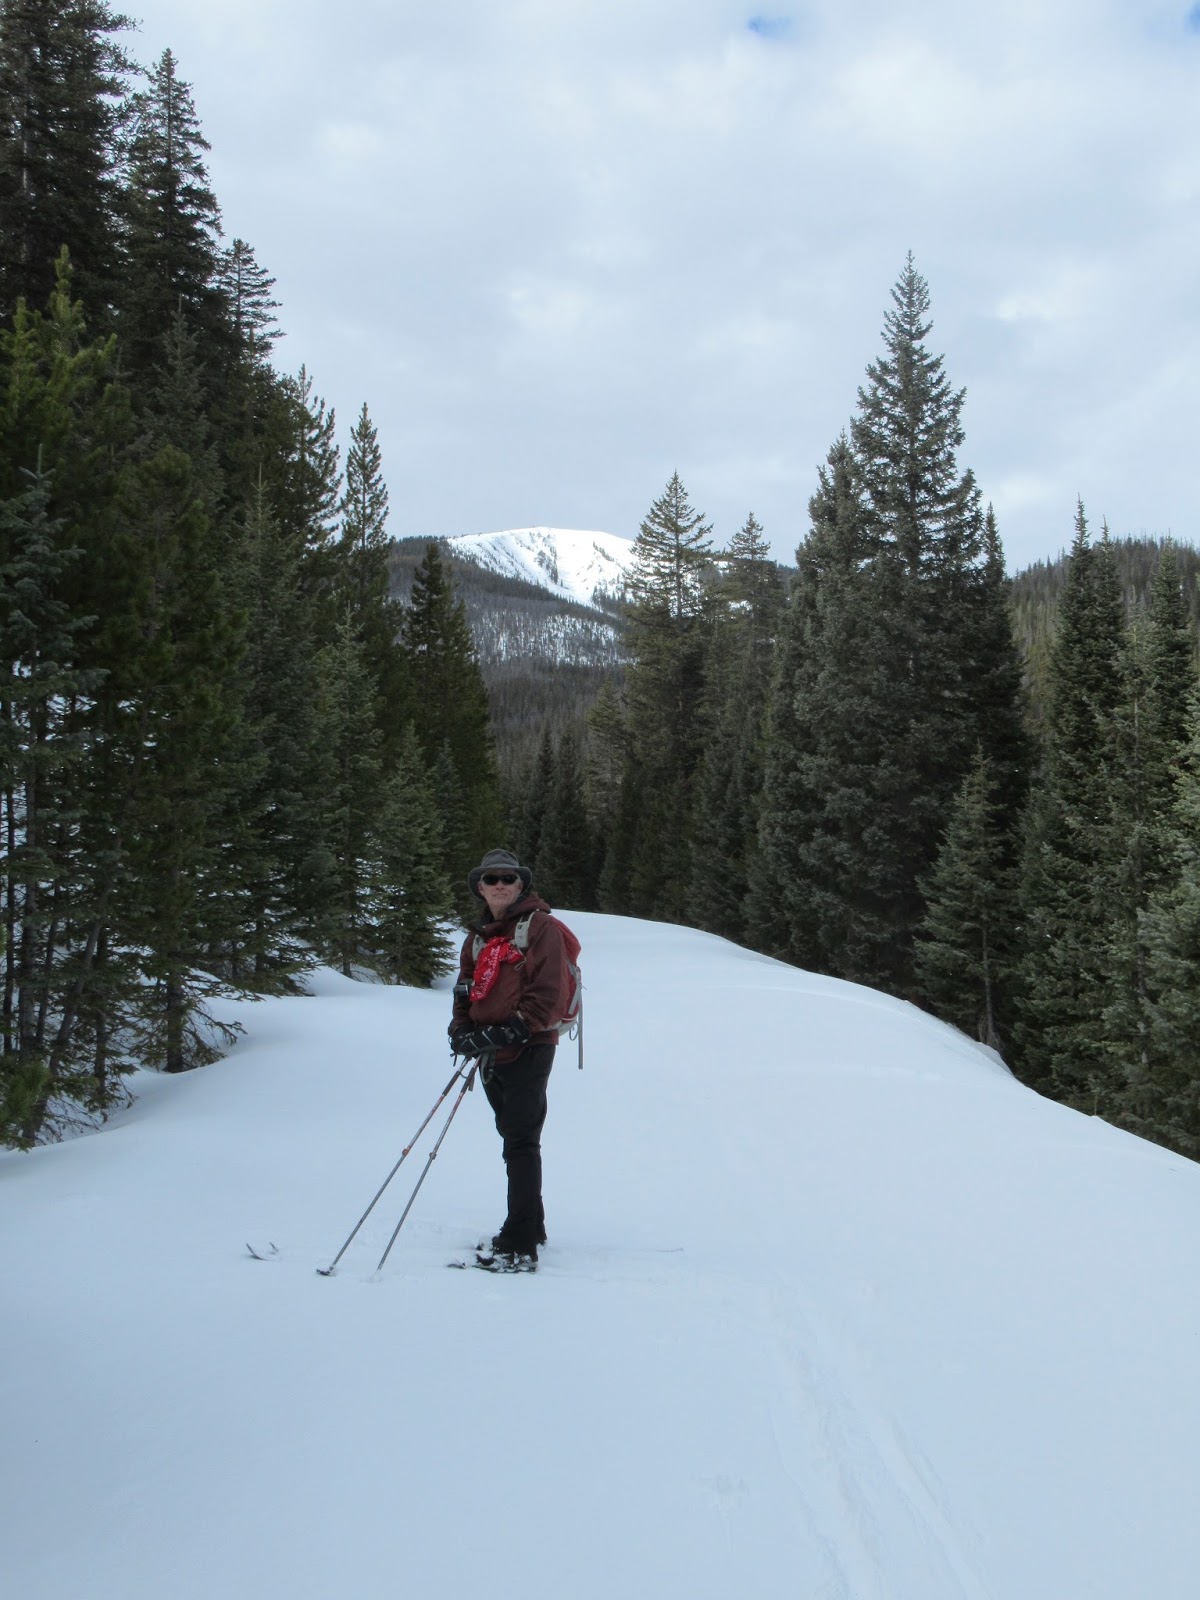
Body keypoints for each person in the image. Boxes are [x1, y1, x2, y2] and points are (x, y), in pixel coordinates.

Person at [449, 848, 569, 1268]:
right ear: (480, 887)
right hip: (489, 1051)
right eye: (491, 879)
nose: (499, 885)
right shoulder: (478, 937)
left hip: (530, 1047)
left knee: (520, 1140)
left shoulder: (541, 928)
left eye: (508, 878)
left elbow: (548, 990)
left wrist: (514, 1028)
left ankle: (518, 1243)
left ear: (521, 885)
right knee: (512, 1136)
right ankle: (531, 1223)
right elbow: (463, 989)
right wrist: (460, 1031)